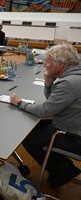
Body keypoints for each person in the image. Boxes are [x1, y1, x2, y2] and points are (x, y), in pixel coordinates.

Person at [10, 44, 81, 187]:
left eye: (48, 61)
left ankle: (63, 170)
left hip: (74, 136)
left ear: (61, 64)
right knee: (36, 126)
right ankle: (61, 166)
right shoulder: (75, 75)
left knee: (27, 136)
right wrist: (48, 83)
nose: (45, 65)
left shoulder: (69, 82)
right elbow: (52, 102)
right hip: (72, 124)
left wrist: (19, 103)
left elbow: (45, 111)